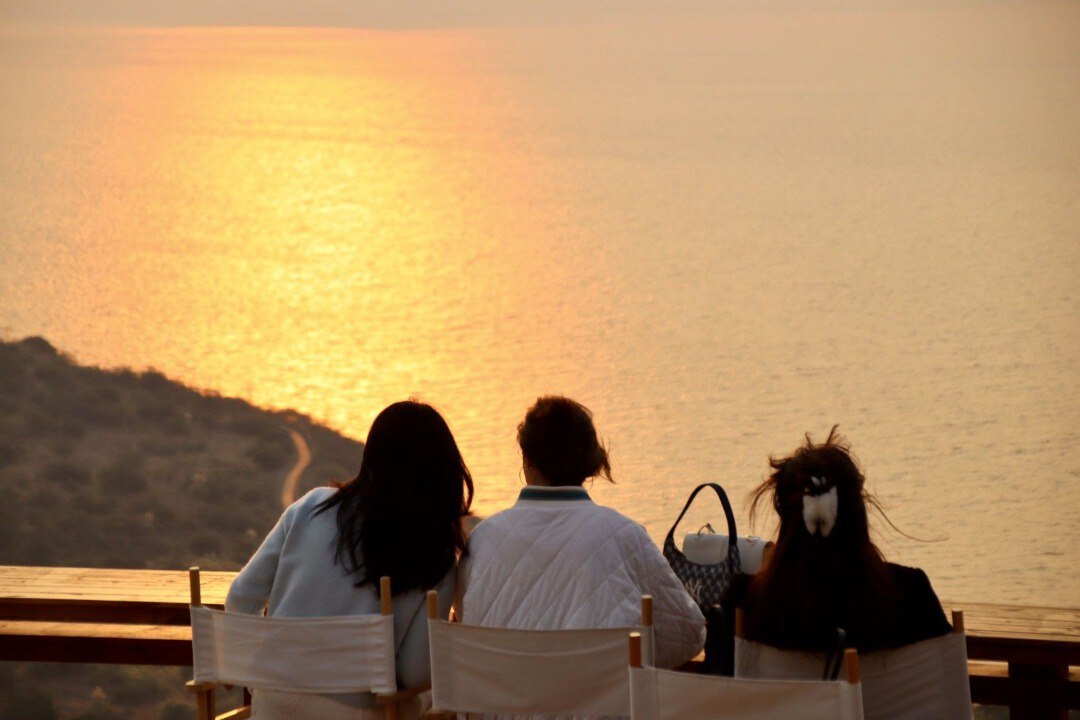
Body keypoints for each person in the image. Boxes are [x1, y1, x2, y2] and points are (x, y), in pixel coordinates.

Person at [226, 400, 474, 719]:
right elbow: (412, 674)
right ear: (443, 475)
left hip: (273, 705)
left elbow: (240, 597)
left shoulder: (310, 507)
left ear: (370, 457)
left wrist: (264, 667)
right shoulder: (435, 557)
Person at [458, 396, 705, 672]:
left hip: (502, 698)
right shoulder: (624, 535)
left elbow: (468, 631)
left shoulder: (481, 541)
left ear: (527, 460)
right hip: (600, 697)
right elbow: (688, 635)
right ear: (589, 462)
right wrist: (628, 665)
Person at [731, 426, 950, 652]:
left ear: (784, 514)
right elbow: (948, 671)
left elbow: (721, 674)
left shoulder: (744, 604)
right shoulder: (912, 596)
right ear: (859, 511)